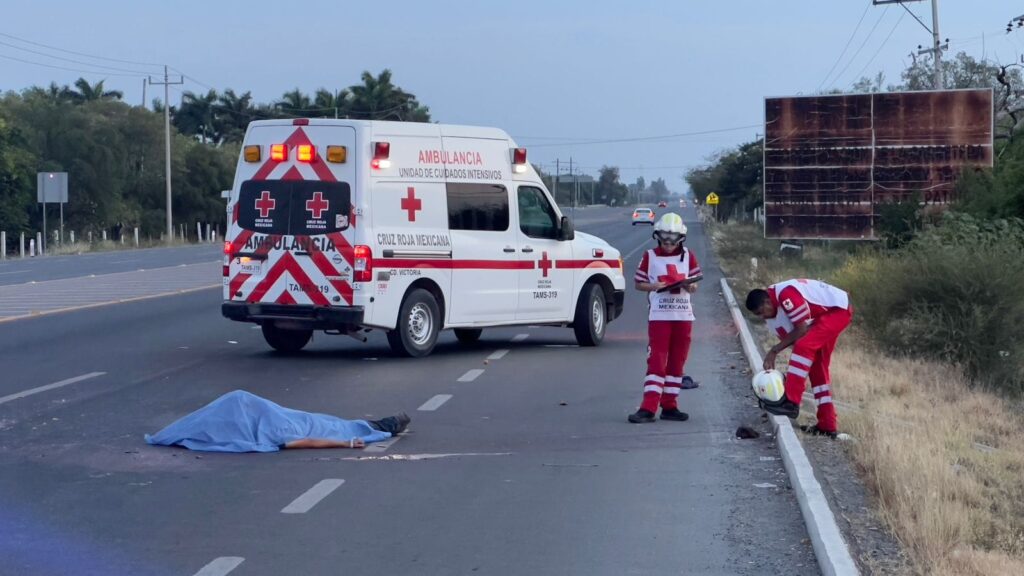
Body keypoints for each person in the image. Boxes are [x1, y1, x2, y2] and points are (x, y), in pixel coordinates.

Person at [745, 279, 852, 438]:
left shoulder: (786, 294)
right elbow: (793, 340)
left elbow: (801, 330)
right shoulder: (772, 320)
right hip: (823, 317)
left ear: (768, 301)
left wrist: (774, 351)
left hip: (838, 310)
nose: (762, 317)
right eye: (757, 315)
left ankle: (791, 402)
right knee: (817, 369)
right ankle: (827, 424)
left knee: (804, 346)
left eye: (761, 312)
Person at [145, 390, 410, 452]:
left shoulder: (261, 425)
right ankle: (383, 425)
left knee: (210, 419)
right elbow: (306, 441)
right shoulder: (276, 432)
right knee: (341, 424)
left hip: (289, 417)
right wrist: (347, 444)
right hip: (307, 422)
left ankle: (383, 424)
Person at [628, 213, 702, 423]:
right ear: (657, 235)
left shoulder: (688, 256)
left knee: (678, 361)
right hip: (660, 316)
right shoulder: (649, 256)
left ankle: (670, 405)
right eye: (664, 237)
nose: (668, 243)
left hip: (683, 316)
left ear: (680, 237)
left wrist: (688, 284)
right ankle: (648, 407)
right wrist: (654, 286)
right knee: (657, 361)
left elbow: (695, 286)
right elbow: (638, 283)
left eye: (673, 238)